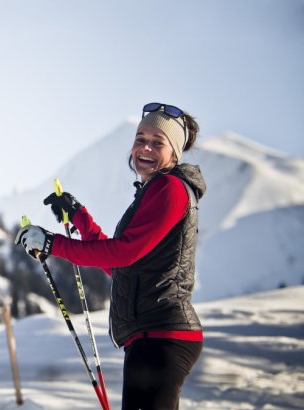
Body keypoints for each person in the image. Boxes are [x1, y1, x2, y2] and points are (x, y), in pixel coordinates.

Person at [15, 102, 205, 410]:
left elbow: (124, 253)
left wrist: (53, 244)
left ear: (174, 153)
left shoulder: (170, 188)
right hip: (148, 337)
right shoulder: (153, 192)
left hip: (163, 336)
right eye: (140, 138)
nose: (145, 147)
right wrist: (79, 217)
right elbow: (119, 265)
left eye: (158, 142)